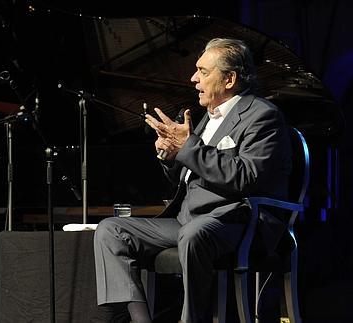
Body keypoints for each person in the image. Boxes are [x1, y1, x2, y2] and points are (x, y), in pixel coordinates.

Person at [93, 38, 292, 322]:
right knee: (110, 230)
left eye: (203, 71)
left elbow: (245, 177)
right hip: (190, 218)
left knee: (194, 234)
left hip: (237, 221)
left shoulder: (262, 116)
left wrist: (188, 147)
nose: (193, 78)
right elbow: (191, 174)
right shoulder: (205, 118)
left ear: (229, 79)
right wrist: (170, 155)